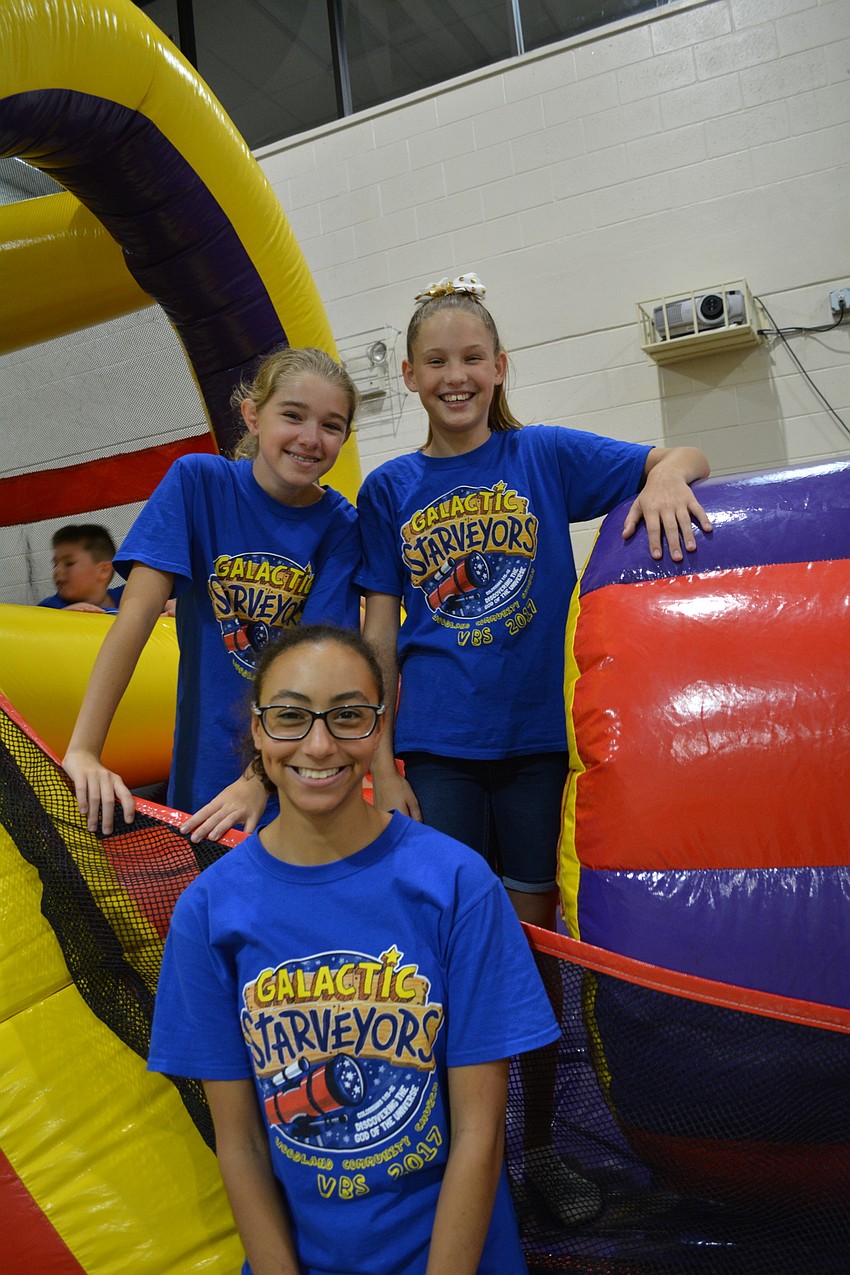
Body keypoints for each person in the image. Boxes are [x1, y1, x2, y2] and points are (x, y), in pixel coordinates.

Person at [148, 624, 560, 1275]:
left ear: (378, 725)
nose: (319, 744)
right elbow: (242, 1143)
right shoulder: (209, 910)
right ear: (257, 730)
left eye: (346, 716)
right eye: (290, 716)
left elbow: (480, 1133)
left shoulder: (457, 884)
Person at [358, 273, 713, 931]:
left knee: (535, 918)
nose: (454, 375)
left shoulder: (542, 453)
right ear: (409, 374)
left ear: (499, 367)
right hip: (439, 742)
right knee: (450, 915)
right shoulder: (388, 488)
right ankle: (472, 1036)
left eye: (470, 358)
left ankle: (540, 1040)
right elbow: (377, 638)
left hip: (539, 735)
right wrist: (382, 766)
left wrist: (663, 475)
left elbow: (687, 453)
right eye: (436, 361)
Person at [63, 347, 361, 841]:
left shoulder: (340, 525)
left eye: (331, 426)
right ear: (253, 416)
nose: (311, 439)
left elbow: (320, 668)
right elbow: (133, 618)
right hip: (204, 773)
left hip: (294, 777)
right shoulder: (198, 483)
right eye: (292, 415)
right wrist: (84, 750)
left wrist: (257, 781)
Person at [38, 523, 126, 612]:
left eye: (69, 563)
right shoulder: (49, 608)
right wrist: (62, 618)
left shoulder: (127, 597)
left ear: (104, 570)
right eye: (55, 564)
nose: (57, 571)